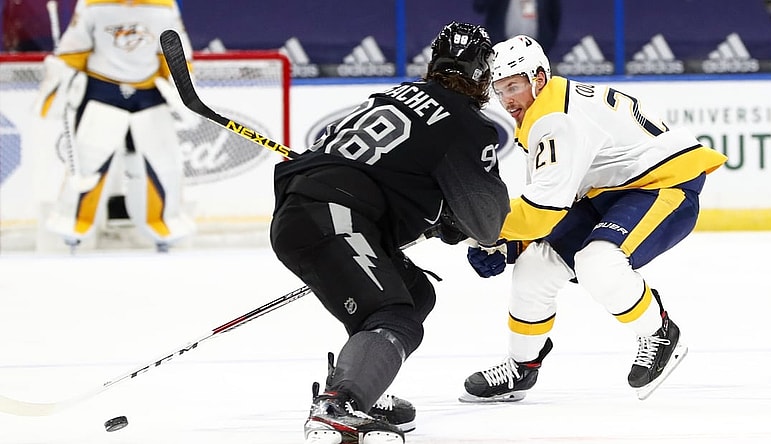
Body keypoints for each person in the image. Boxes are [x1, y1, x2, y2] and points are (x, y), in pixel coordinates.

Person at [270, 22, 510, 443]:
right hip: (334, 216)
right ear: (482, 72)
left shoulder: (392, 97)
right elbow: (487, 221)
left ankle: (365, 384)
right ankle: (338, 404)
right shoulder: (466, 124)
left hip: (309, 211)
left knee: (415, 293)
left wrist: (436, 218)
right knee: (393, 314)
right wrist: (461, 230)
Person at [461, 35, 728, 402]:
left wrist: (483, 231)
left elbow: (541, 212)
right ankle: (522, 366)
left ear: (538, 78)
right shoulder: (548, 106)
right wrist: (509, 243)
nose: (506, 99)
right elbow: (554, 199)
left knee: (598, 263)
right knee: (535, 267)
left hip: (665, 184)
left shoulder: (555, 120)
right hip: (610, 191)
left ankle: (659, 332)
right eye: (500, 89)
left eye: (514, 86)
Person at [35, 0, 195, 252]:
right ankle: (74, 224)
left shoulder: (164, 6)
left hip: (149, 94)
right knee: (89, 161)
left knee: (162, 164)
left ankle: (163, 224)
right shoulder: (92, 4)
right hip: (101, 90)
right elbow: (74, 49)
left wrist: (185, 87)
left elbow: (174, 51)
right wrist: (60, 80)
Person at [472, 0, 562, 55]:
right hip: (502, 49)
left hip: (535, 49)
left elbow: (554, 17)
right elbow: (480, 5)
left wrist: (546, 44)